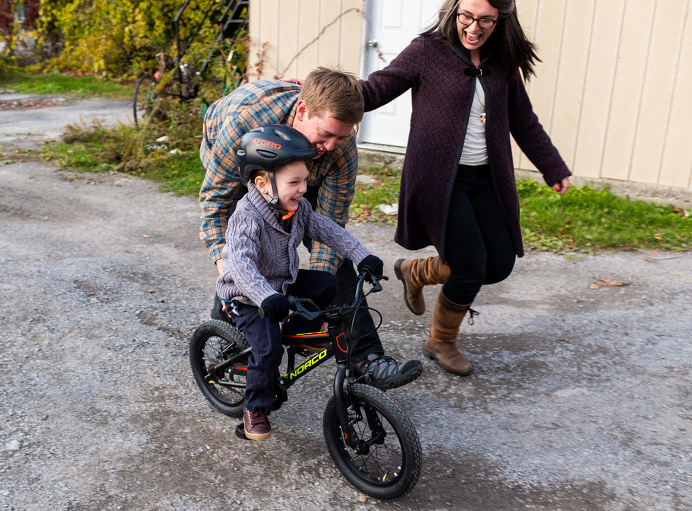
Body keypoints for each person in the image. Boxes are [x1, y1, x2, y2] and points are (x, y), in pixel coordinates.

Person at [361, 0, 572, 375]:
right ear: (453, 11)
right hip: (440, 181)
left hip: (487, 178)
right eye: (467, 17)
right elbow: (376, 89)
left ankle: (418, 271)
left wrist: (552, 165)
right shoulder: (427, 51)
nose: (474, 27)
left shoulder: (502, 59)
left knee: (499, 264)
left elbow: (523, 120)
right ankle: (440, 341)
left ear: (500, 20)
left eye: (486, 20)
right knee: (471, 265)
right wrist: (325, 97)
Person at [200, 67, 422, 390]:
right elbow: (215, 207)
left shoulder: (338, 151)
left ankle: (367, 359)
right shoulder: (245, 123)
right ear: (302, 111)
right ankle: (228, 344)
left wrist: (312, 317)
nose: (331, 146)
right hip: (240, 159)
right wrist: (235, 278)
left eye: (341, 137)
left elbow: (329, 233)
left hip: (302, 172)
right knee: (245, 246)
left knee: (337, 257)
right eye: (325, 135)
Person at [217, 124, 385, 440]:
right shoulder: (246, 216)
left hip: (282, 283)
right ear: (262, 184)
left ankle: (297, 332)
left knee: (326, 283)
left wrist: (362, 256)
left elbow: (329, 230)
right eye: (294, 182)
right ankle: (254, 407)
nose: (303, 188)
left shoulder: (297, 208)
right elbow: (239, 264)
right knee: (267, 351)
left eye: (305, 180)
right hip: (247, 295)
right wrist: (265, 296)